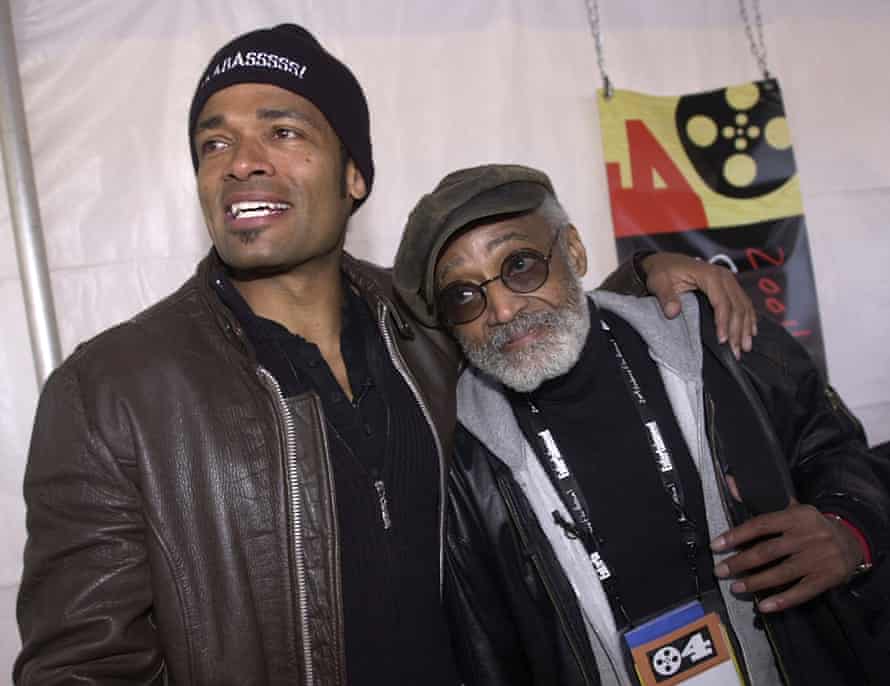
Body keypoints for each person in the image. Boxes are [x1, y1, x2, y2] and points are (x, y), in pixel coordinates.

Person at [14, 25, 758, 685]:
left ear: (354, 177)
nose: (240, 162)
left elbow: (528, 317)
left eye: (283, 132)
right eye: (215, 142)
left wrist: (646, 277)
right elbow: (82, 666)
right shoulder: (110, 392)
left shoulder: (428, 324)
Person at [393, 163, 890, 686]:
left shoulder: (717, 336)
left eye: (519, 265)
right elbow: (487, 655)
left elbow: (831, 450)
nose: (501, 308)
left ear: (575, 252)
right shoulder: (460, 459)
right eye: (463, 295)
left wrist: (850, 530)